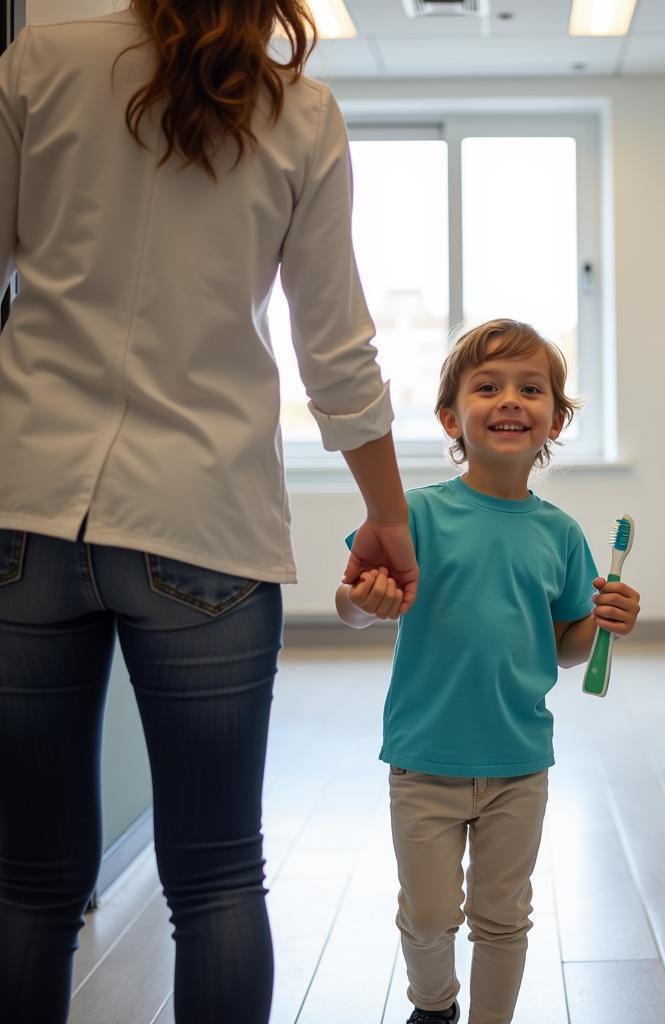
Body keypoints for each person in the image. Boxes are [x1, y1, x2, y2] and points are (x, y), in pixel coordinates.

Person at [0, 3, 417, 1022]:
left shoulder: (42, 61)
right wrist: (388, 515)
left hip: (26, 506)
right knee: (219, 878)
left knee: (24, 880)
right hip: (204, 524)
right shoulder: (301, 114)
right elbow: (335, 350)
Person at [335, 319, 641, 1024]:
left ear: (555, 420)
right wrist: (362, 601)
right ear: (451, 416)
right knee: (429, 914)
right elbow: (347, 603)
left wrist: (602, 621)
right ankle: (433, 1005)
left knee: (504, 917)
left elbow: (565, 647)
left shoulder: (561, 534)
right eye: (488, 387)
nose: (511, 400)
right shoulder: (413, 514)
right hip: (423, 759)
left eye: (531, 389)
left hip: (518, 760)